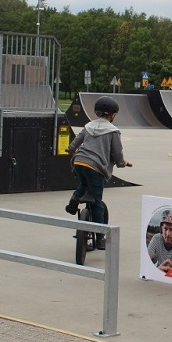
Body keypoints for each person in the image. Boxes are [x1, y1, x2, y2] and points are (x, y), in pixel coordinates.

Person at [64, 96, 132, 246]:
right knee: (97, 202)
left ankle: (74, 201)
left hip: (79, 162)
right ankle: (100, 238)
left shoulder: (88, 126)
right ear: (112, 114)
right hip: (95, 167)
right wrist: (122, 163)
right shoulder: (113, 131)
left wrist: (71, 151)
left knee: (83, 183)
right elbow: (117, 153)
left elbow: (74, 144)